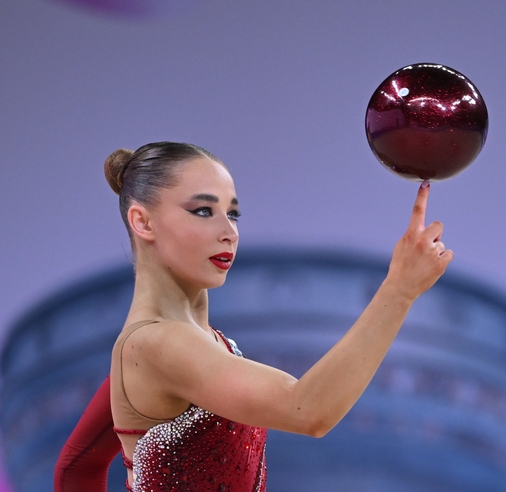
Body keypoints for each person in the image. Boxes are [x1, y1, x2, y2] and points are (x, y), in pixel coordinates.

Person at [54, 141, 452, 491]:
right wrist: (398, 291)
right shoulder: (157, 345)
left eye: (233, 213)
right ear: (143, 222)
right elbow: (308, 410)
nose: (229, 231)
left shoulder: (172, 347)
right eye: (203, 211)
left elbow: (76, 469)